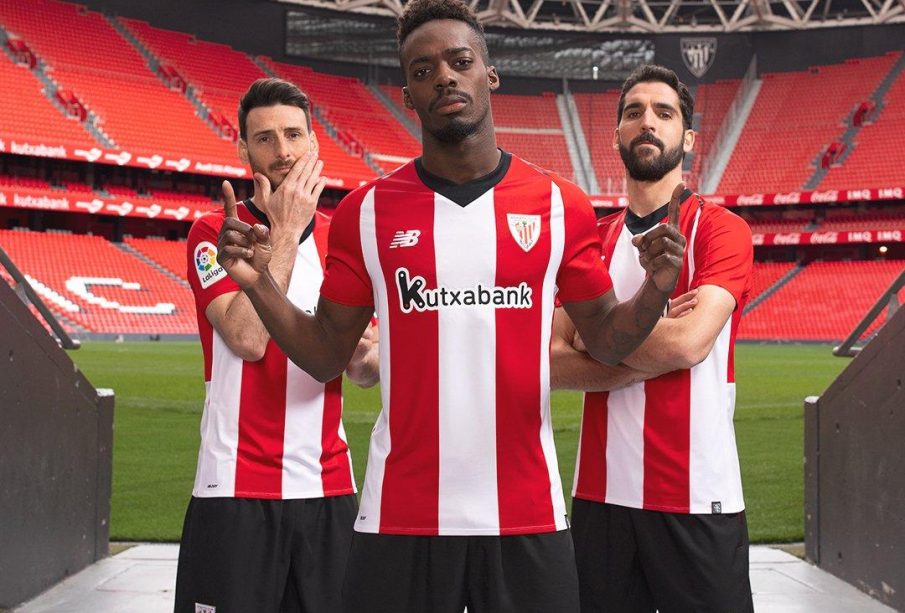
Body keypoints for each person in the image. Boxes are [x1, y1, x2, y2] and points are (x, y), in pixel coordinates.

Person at [216, 4, 685, 611]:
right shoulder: (366, 212)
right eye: (422, 70)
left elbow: (607, 339)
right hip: (399, 516)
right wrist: (260, 286)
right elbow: (327, 354)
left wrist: (654, 291)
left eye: (460, 61)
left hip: (526, 514)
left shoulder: (558, 205)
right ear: (407, 94)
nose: (443, 77)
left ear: (489, 74)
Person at [551, 64, 755, 612]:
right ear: (616, 134)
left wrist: (594, 336)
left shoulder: (719, 230)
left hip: (697, 495)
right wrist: (650, 346)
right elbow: (547, 360)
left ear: (687, 139)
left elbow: (690, 344)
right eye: (634, 112)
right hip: (601, 497)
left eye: (664, 113)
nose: (648, 122)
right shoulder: (591, 243)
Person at [177, 78, 378, 613]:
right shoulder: (216, 233)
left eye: (293, 134)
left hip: (327, 487)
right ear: (244, 150)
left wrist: (371, 352)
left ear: (314, 142)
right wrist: (286, 232)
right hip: (235, 487)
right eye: (264, 138)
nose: (283, 150)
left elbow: (362, 370)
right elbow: (247, 338)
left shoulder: (344, 240)